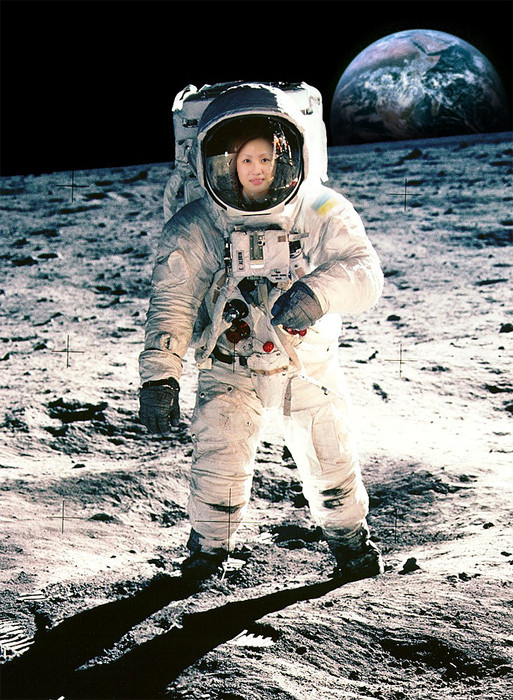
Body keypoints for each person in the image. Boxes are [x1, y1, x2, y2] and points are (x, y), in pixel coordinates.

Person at [138, 82, 384, 582]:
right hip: (228, 363)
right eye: (245, 160)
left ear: (288, 156)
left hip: (303, 362)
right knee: (219, 459)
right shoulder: (200, 223)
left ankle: (350, 541)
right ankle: (208, 552)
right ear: (224, 163)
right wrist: (160, 375)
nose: (257, 169)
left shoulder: (319, 208)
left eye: (267, 159)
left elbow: (363, 270)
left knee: (330, 455)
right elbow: (173, 301)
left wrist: (315, 294)